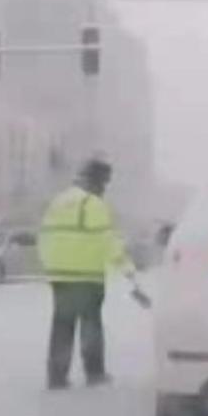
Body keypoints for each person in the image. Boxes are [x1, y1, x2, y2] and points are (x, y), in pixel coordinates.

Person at [38, 156, 133, 390]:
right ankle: (94, 373)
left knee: (62, 325)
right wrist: (128, 269)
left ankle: (56, 376)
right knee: (91, 324)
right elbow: (107, 241)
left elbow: (43, 237)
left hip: (60, 276)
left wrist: (51, 266)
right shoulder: (92, 203)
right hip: (87, 275)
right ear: (97, 181)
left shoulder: (58, 201)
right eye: (105, 183)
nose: (105, 189)